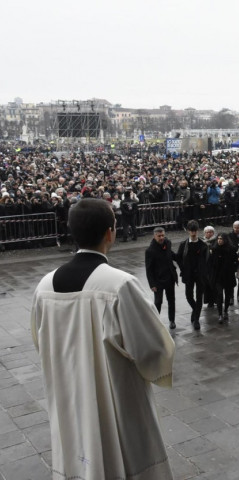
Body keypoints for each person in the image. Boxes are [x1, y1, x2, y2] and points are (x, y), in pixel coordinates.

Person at [31, 198, 175, 479]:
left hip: (68, 396)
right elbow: (154, 347)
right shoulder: (118, 285)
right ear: (111, 232)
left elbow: (41, 342)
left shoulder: (44, 286)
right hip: (117, 398)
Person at [145, 226, 179, 329]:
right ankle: (156, 322)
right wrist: (152, 284)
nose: (161, 238)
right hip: (158, 280)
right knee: (158, 302)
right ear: (154, 236)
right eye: (159, 236)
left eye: (163, 235)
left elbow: (170, 254)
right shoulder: (150, 250)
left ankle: (172, 320)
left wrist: (179, 257)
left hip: (169, 277)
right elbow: (148, 269)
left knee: (171, 300)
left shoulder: (167, 243)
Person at [177, 220, 208, 330]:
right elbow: (179, 258)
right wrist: (183, 269)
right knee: (189, 296)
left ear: (198, 231)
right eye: (191, 231)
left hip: (200, 275)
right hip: (188, 274)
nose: (193, 233)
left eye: (195, 231)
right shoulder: (183, 244)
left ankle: (196, 319)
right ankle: (195, 310)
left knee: (199, 297)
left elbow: (206, 261)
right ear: (188, 231)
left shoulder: (203, 245)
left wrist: (204, 272)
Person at [209, 233, 237, 324]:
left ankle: (225, 311)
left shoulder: (231, 249)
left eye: (221, 239)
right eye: (218, 239)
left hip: (228, 276)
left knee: (228, 295)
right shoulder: (214, 249)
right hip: (218, 277)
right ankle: (220, 313)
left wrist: (232, 269)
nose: (219, 240)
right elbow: (210, 262)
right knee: (220, 294)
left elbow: (235, 261)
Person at [202, 225, 217, 308]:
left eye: (211, 232)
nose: (209, 234)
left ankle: (216, 299)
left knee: (214, 284)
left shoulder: (216, 241)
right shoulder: (202, 242)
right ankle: (209, 301)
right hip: (205, 266)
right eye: (207, 232)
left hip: (214, 266)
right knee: (206, 284)